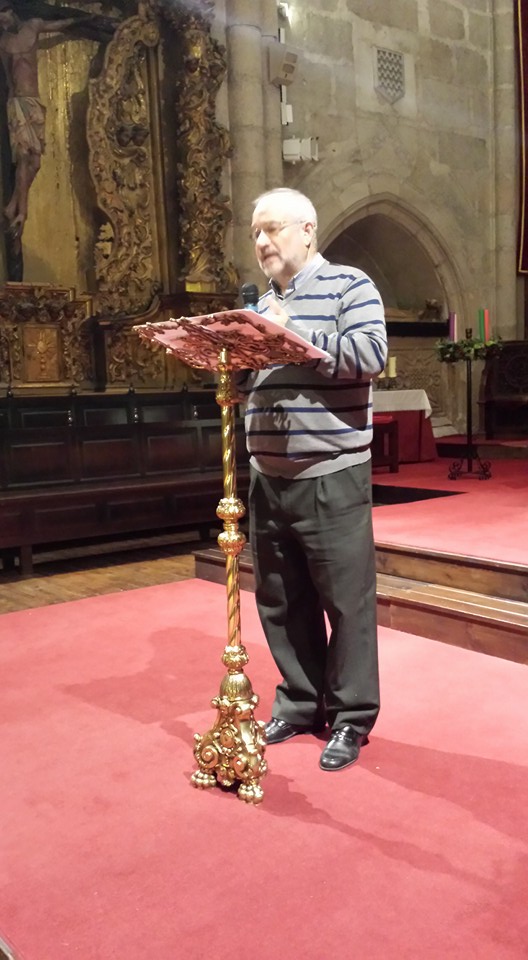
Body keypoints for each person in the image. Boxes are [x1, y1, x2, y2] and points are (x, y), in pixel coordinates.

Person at [239, 187, 388, 771]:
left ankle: (351, 717)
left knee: (346, 604)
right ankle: (301, 703)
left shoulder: (351, 285)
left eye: (272, 228)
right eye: (255, 232)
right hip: (267, 475)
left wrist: (294, 332)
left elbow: (370, 355)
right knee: (281, 600)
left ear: (307, 229)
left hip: (330, 474)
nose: (261, 241)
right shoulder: (260, 304)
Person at [0, 1, 108, 243]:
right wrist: (11, 107)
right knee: (25, 157)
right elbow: (8, 76)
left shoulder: (33, 26)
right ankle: (22, 213)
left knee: (36, 163)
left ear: (10, 11)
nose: (2, 23)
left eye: (2, 17)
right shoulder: (3, 42)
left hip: (34, 101)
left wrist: (84, 20)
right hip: (17, 103)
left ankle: (12, 206)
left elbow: (60, 25)